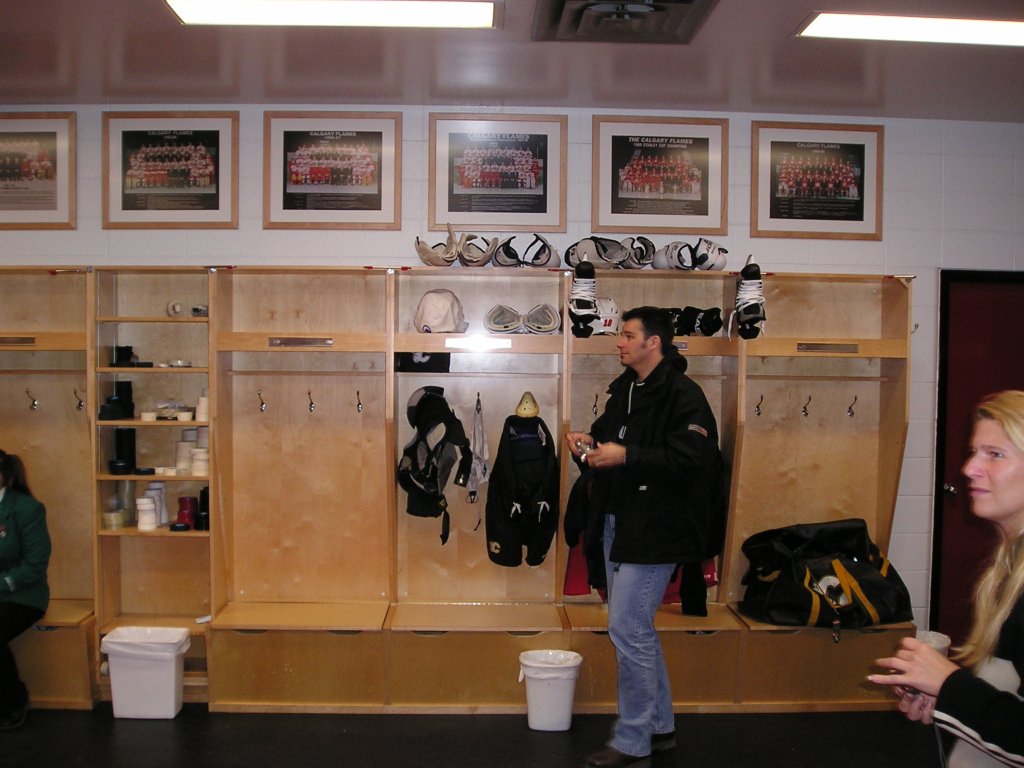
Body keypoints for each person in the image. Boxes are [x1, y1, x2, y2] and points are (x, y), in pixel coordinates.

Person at [565, 306, 722, 768]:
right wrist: (588, 446)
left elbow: (691, 459)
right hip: (618, 522)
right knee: (637, 630)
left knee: (627, 629)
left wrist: (627, 455)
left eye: (628, 335)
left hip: (658, 529)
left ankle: (633, 742)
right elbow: (607, 445)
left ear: (653, 342)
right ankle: (660, 726)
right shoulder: (625, 391)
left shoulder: (684, 396)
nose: (619, 341)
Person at [869, 390, 1024, 767]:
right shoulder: (1009, 572)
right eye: (974, 452)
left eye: (995, 454)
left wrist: (950, 685)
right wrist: (948, 698)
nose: (969, 468)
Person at [0, 449, 51, 731]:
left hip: (23, 595)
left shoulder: (27, 509)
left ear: (4, 476)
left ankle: (13, 702)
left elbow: (35, 566)